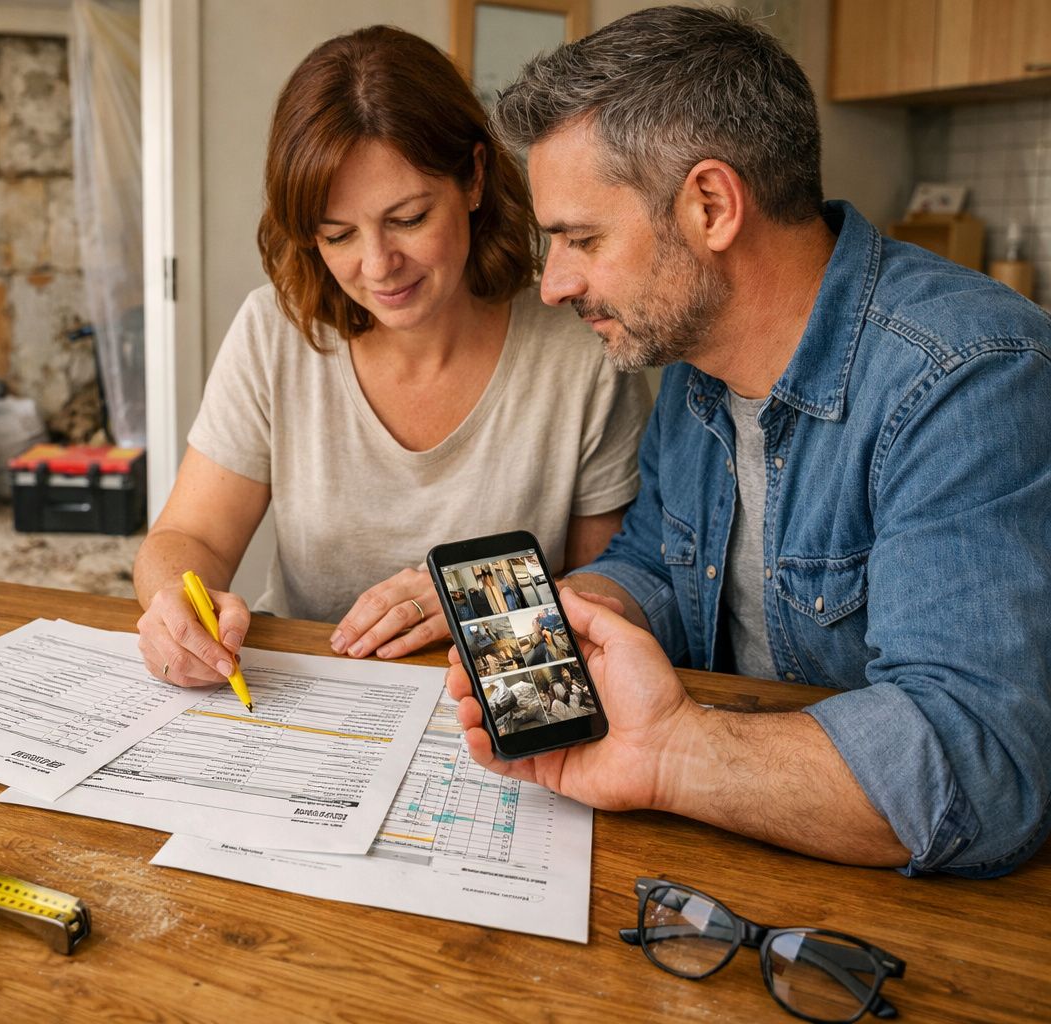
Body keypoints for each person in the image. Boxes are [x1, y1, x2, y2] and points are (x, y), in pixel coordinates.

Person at [447, 6, 1051, 877]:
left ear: (712, 206)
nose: (556, 284)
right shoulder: (696, 362)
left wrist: (674, 752)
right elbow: (657, 561)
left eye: (582, 238)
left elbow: (978, 766)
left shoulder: (968, 376)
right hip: (742, 848)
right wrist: (571, 620)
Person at [134, 25, 649, 688]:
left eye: (407, 219)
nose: (378, 266)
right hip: (301, 694)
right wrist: (173, 601)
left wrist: (482, 599)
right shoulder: (273, 332)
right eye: (338, 235)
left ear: (474, 178)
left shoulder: (580, 350)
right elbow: (189, 538)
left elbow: (610, 589)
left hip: (507, 700)